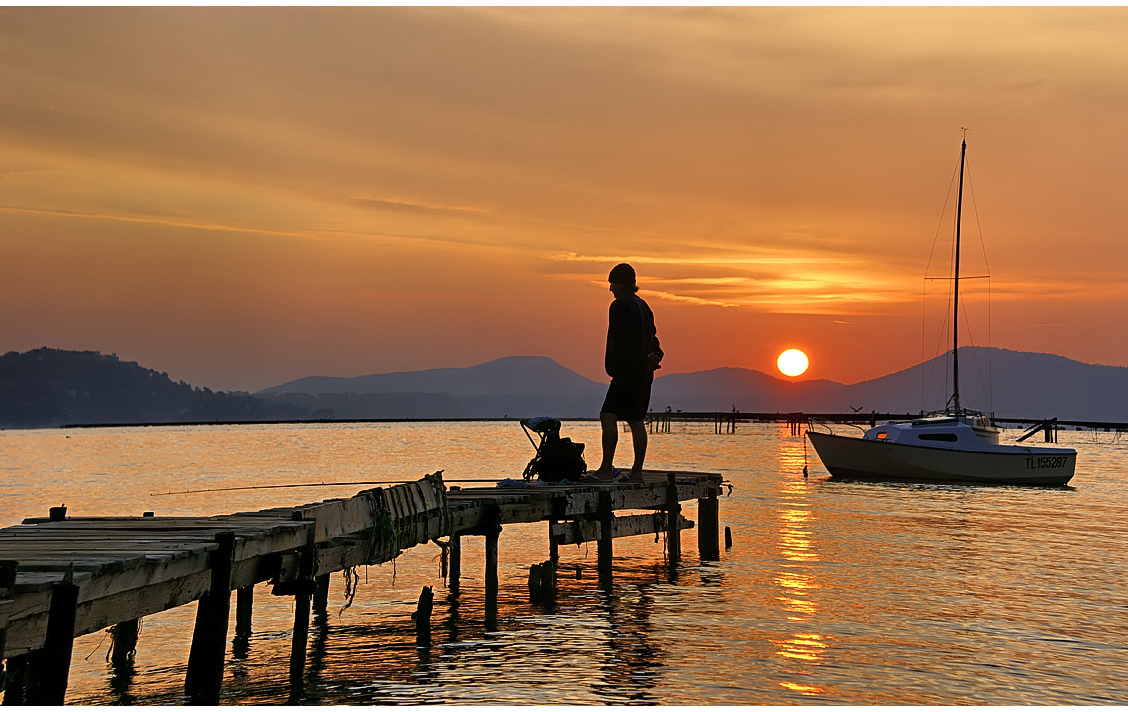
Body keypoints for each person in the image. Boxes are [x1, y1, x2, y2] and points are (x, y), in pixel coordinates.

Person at [594, 263, 662, 481]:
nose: (610, 289)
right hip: (644, 372)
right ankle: (637, 472)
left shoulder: (619, 306)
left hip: (627, 371)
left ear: (621, 284)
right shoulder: (644, 305)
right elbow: (653, 338)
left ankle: (606, 469)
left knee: (608, 415)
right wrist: (653, 357)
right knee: (636, 419)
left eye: (612, 283)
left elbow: (625, 338)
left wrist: (631, 362)